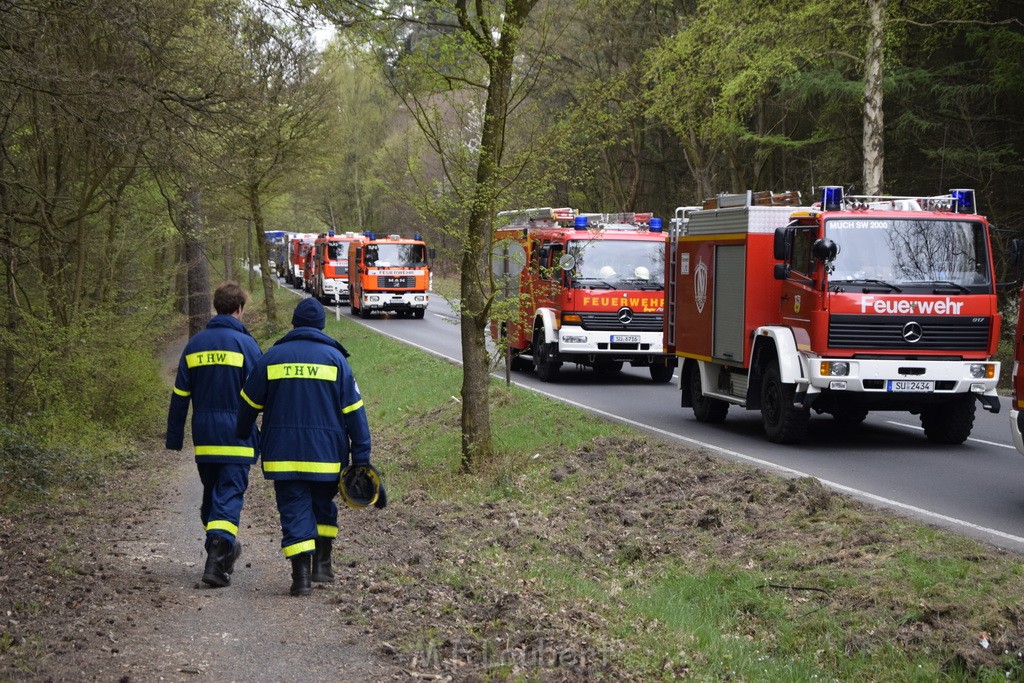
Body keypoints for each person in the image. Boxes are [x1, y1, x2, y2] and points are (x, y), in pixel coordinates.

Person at [236, 297, 375, 597]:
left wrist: (243, 433)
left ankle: (301, 577)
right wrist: (361, 456)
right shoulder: (337, 361)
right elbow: (355, 413)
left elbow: (248, 403)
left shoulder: (272, 358)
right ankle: (322, 565)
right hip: (327, 456)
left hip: (283, 456)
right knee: (323, 506)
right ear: (322, 327)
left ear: (295, 324)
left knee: (293, 509)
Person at [166, 281, 262, 588]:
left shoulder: (195, 345)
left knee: (213, 497)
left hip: (205, 438)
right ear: (239, 309)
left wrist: (174, 437)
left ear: (216, 307)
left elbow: (180, 395)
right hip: (238, 435)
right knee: (229, 495)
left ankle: (219, 548)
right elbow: (262, 395)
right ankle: (218, 563)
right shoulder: (247, 346)